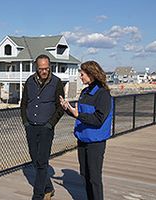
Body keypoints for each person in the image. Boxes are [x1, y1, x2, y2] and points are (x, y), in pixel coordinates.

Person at [59, 60, 113, 200]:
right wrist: (67, 109)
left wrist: (78, 114)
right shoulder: (85, 92)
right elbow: (80, 114)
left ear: (92, 74)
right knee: (85, 175)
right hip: (82, 139)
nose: (80, 77)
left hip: (95, 141)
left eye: (82, 74)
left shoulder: (103, 94)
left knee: (94, 178)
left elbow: (98, 119)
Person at [21, 54, 64, 200]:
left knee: (42, 161)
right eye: (41, 69)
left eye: (46, 68)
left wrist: (50, 125)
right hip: (31, 127)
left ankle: (38, 195)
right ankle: (48, 188)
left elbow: (60, 107)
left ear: (50, 67)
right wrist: (25, 122)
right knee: (34, 160)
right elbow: (24, 103)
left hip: (46, 128)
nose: (44, 71)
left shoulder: (57, 82)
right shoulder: (29, 81)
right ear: (36, 68)